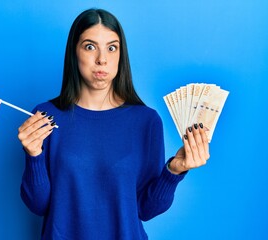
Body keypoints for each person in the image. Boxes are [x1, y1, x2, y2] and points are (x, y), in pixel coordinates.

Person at [18, 8, 209, 240]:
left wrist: (174, 171)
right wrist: (34, 156)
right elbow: (38, 206)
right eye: (90, 46)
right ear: (74, 52)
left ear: (121, 54)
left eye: (112, 47)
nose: (102, 59)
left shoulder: (146, 121)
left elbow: (146, 210)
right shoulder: (46, 116)